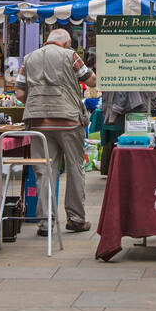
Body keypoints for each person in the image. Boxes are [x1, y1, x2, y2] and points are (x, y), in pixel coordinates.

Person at [16, 27, 96, 235]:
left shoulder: (29, 58)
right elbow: (91, 80)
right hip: (69, 120)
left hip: (39, 123)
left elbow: (19, 92)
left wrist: (35, 105)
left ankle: (45, 223)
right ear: (67, 43)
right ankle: (76, 219)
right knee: (75, 167)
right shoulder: (71, 55)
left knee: (44, 172)